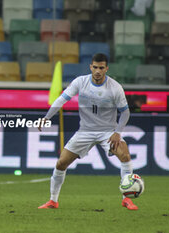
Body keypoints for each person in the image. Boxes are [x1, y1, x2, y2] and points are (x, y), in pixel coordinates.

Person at [38, 53, 138, 210]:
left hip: (107, 132)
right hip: (85, 131)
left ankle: (126, 198)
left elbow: (125, 112)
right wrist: (46, 117)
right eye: (95, 67)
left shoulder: (115, 87)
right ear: (90, 67)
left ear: (107, 69)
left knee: (125, 155)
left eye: (101, 68)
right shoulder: (80, 82)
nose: (98, 71)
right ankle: (53, 201)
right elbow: (61, 99)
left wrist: (118, 132)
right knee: (61, 163)